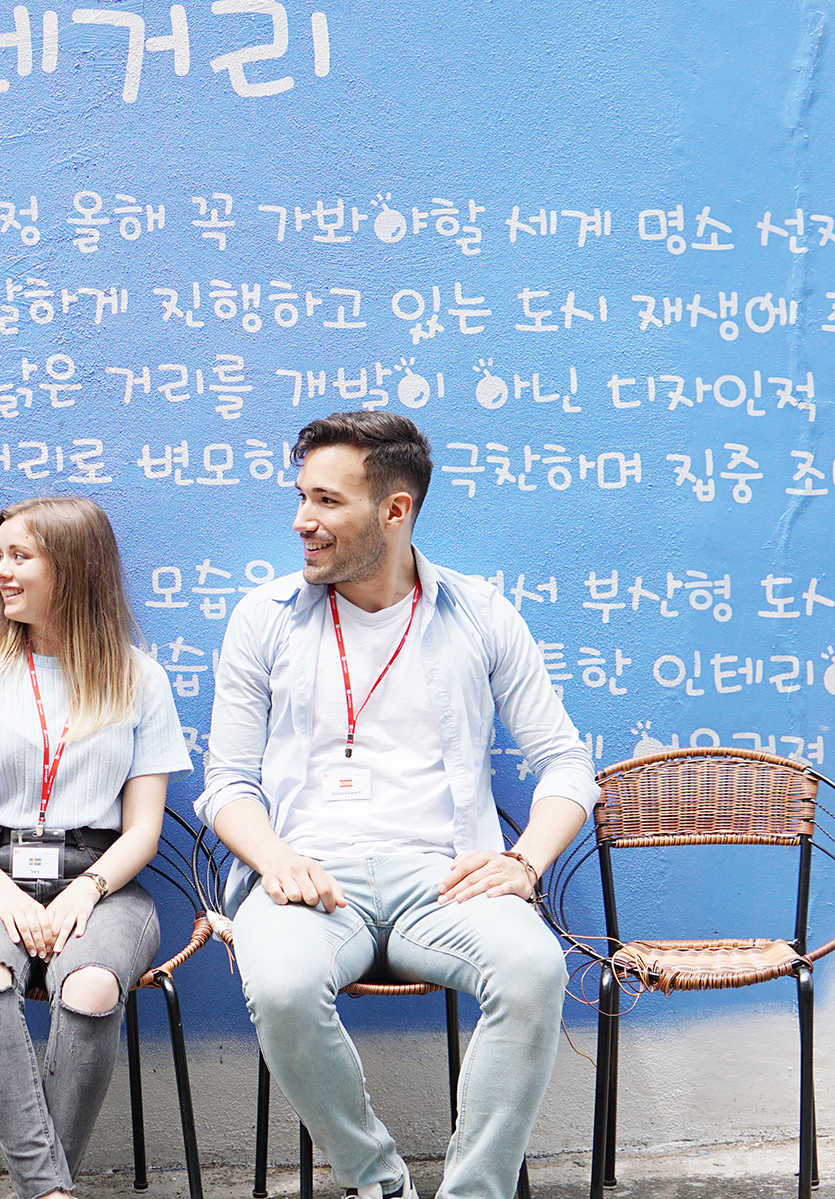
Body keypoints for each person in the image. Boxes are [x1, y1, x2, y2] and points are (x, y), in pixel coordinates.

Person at [197, 412, 597, 1199]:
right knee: (277, 982)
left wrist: (523, 862)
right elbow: (229, 782)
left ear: (395, 509)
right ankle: (375, 1182)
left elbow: (566, 763)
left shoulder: (480, 614)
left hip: (444, 876)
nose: (301, 520)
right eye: (301, 495)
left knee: (533, 967)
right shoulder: (264, 617)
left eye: (326, 501)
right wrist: (276, 859)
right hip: (309, 877)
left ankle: (473, 1191)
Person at [0, 496, 193, 1199]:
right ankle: (50, 1190)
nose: (1, 571)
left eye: (20, 556)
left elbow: (144, 830)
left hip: (103, 882)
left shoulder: (140, 678)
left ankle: (39, 1188)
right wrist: (7, 898)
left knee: (94, 987)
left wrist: (84, 891)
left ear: (74, 564)